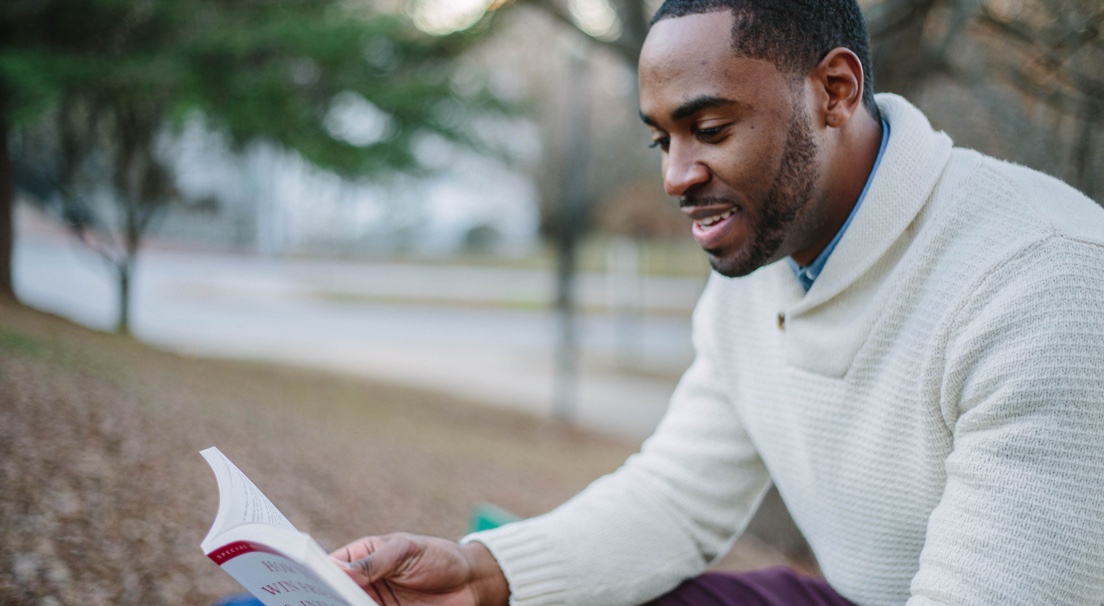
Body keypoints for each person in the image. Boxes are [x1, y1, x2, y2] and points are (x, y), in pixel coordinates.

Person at [330, 1, 1104, 604]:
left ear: (835, 91)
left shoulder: (1043, 282)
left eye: (707, 128)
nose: (676, 176)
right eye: (662, 140)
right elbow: (675, 500)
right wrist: (481, 574)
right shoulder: (765, 260)